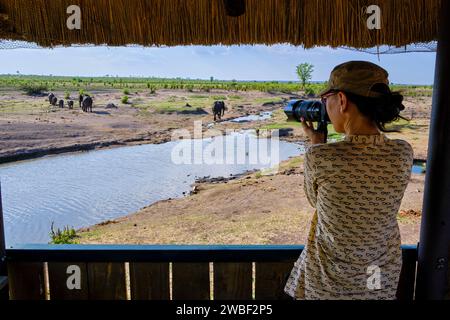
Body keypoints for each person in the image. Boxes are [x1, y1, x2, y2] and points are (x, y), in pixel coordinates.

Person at [284, 61, 414, 300]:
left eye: (326, 100)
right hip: (378, 281)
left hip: (328, 284)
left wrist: (316, 144)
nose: (325, 106)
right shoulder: (402, 153)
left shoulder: (321, 157)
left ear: (342, 100)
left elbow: (316, 201)